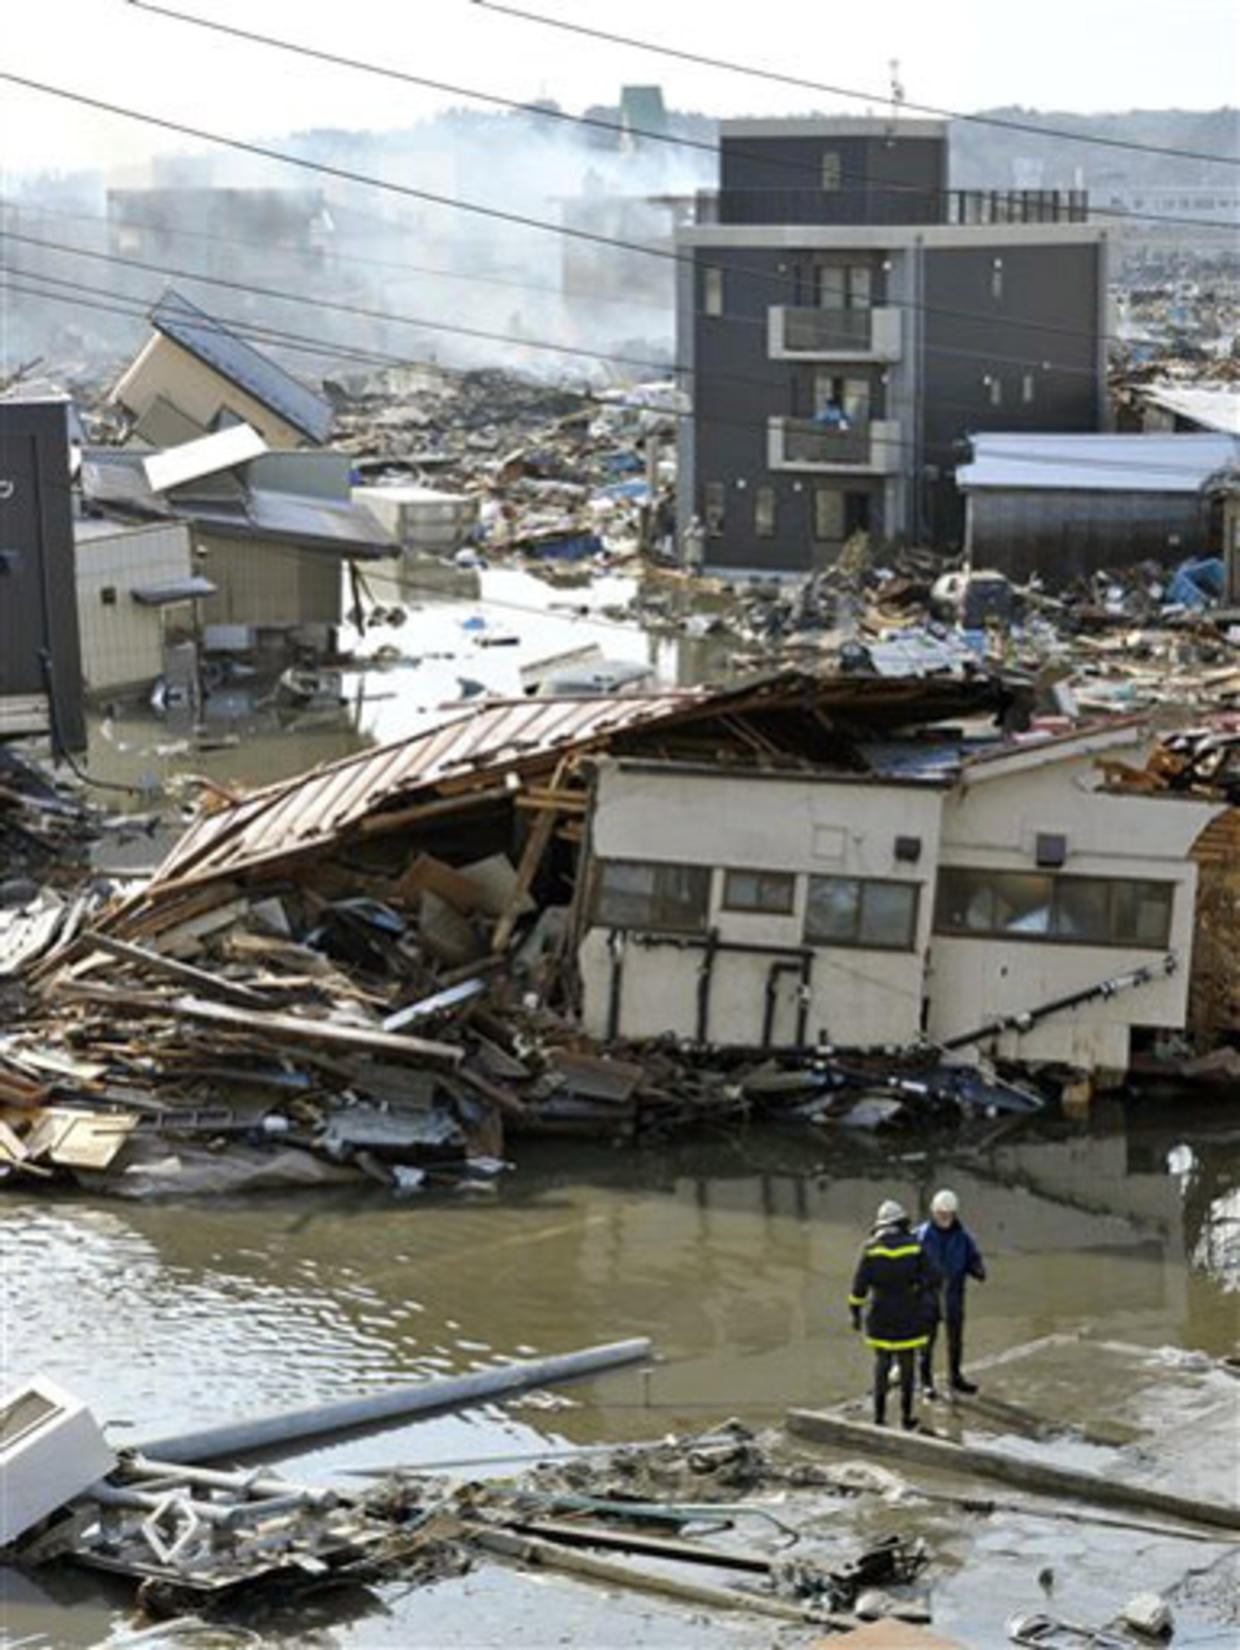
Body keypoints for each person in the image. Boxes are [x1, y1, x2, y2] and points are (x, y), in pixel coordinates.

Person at [848, 1198, 936, 1430]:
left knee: (882, 1364)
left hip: (879, 1314)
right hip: (909, 1313)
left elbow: (859, 1287)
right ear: (902, 1222)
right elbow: (933, 1278)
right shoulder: (915, 1246)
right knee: (907, 1366)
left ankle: (879, 1418)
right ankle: (907, 1418)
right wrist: (922, 1296)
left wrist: (855, 1314)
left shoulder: (870, 1249)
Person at [916, 1188, 986, 1398]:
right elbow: (910, 1260)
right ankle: (926, 1381)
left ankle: (955, 1377)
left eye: (948, 1214)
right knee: (926, 1340)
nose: (944, 1218)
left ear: (954, 1214)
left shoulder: (963, 1237)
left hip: (954, 1293)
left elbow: (973, 1257)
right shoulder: (921, 1235)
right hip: (928, 1294)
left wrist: (977, 1269)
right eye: (940, 1214)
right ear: (934, 1213)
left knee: (955, 1339)